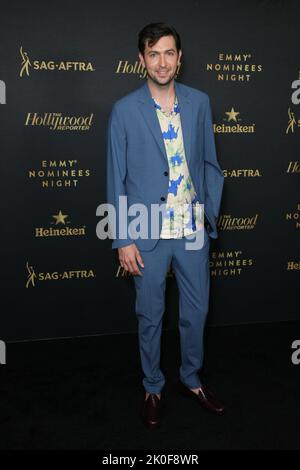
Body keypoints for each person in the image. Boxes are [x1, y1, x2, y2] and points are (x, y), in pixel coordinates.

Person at [106, 22, 225, 429]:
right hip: (146, 229)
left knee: (197, 311)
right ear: (141, 59)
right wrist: (123, 237)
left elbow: (210, 162)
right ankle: (153, 386)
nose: (162, 62)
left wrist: (208, 214)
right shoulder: (124, 110)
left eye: (169, 53)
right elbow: (116, 176)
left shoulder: (199, 102)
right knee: (151, 314)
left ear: (180, 58)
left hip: (191, 226)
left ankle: (191, 379)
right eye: (153, 54)